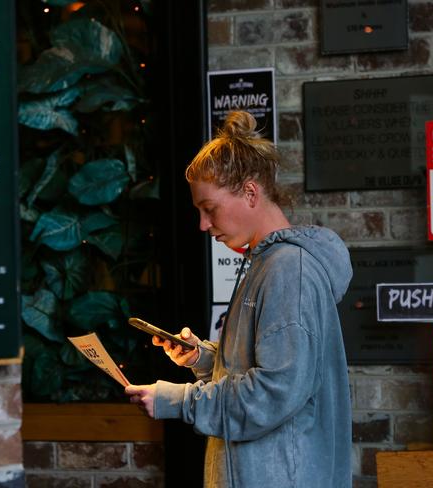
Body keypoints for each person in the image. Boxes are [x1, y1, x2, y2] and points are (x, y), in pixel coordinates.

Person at [125, 110, 353, 487]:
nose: (202, 224)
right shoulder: (268, 263)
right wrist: (204, 359)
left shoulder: (287, 271)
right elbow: (276, 370)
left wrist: (179, 400)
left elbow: (272, 394)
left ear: (250, 192)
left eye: (209, 209)